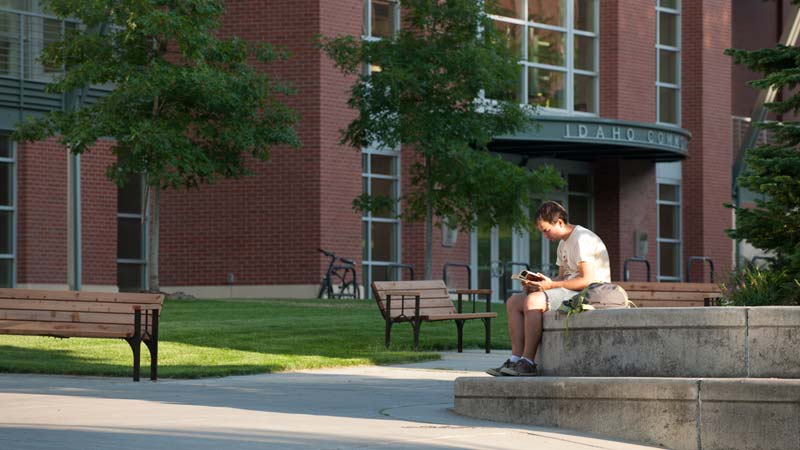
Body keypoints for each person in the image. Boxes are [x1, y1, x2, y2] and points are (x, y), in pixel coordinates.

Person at [487, 201, 611, 376]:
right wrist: (540, 283)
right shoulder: (563, 244)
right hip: (571, 290)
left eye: (546, 230)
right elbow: (563, 277)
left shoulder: (582, 239)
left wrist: (550, 286)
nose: (545, 236)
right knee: (514, 302)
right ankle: (515, 359)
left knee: (533, 301)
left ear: (559, 222)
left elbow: (587, 280)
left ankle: (528, 362)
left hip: (590, 293)